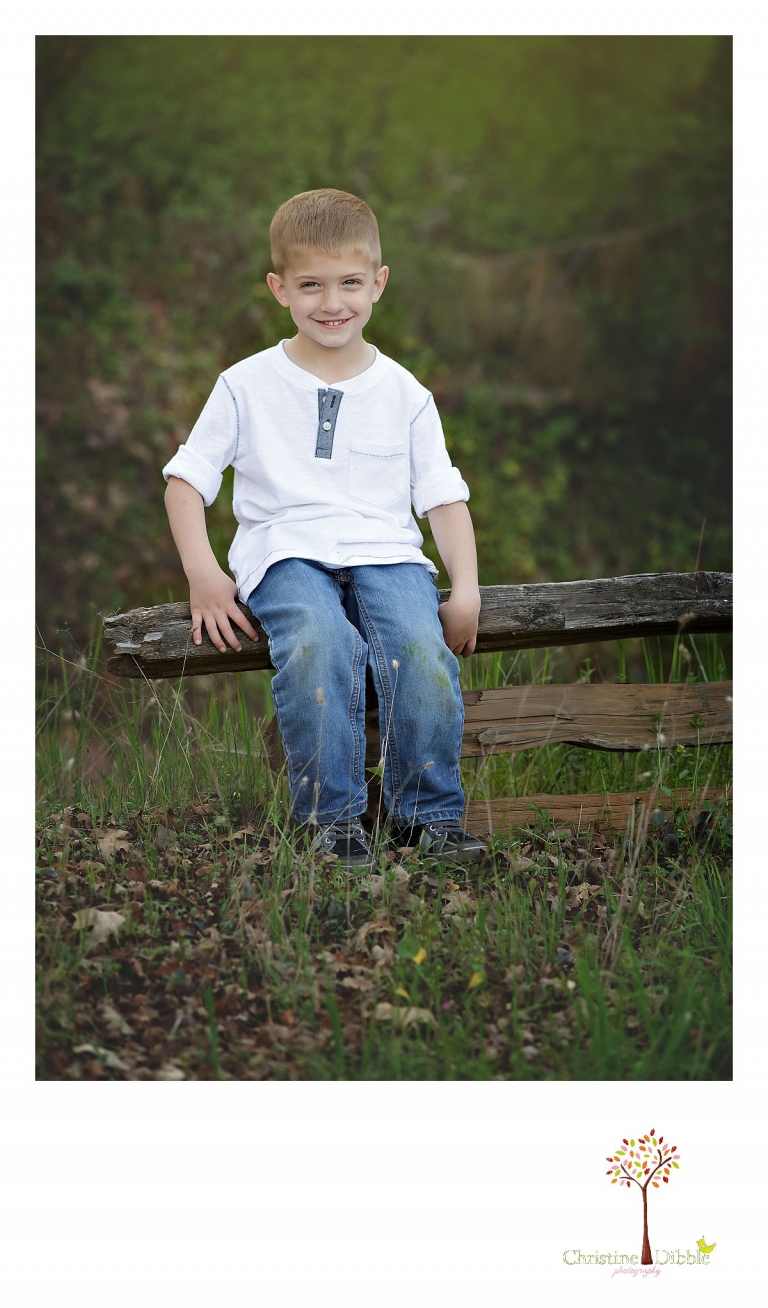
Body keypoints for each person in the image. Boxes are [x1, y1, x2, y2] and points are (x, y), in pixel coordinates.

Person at [163, 188, 486, 870]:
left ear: (379, 283)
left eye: (349, 283)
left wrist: (467, 589)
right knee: (319, 643)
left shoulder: (404, 392)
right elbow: (186, 481)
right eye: (311, 285)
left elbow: (442, 497)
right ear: (280, 288)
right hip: (285, 552)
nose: (331, 302)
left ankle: (428, 819)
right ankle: (332, 825)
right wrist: (203, 573)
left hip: (386, 553)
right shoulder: (246, 384)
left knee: (420, 652)